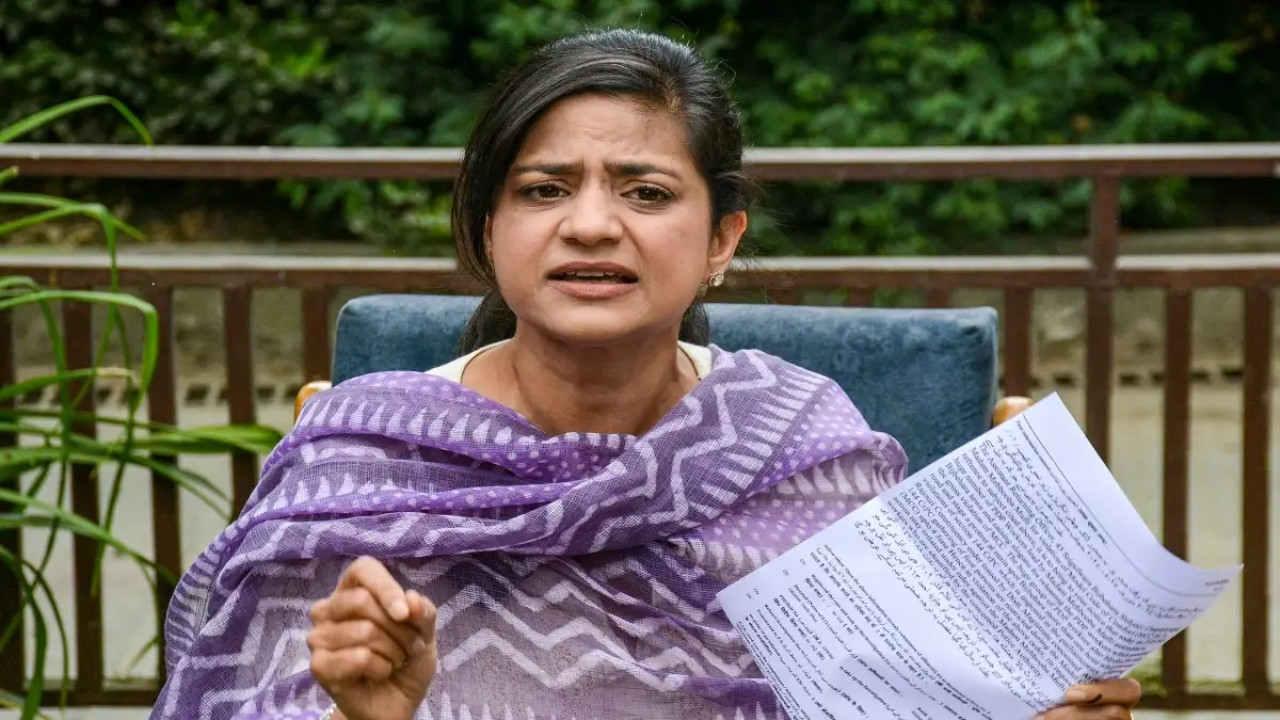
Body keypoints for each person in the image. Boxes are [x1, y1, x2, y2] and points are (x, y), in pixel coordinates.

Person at [151, 29, 1142, 720]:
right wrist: (366, 717)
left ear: (721, 239)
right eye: (545, 189)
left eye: (646, 192)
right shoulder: (359, 463)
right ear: (490, 232)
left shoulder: (801, 446)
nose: (590, 224)